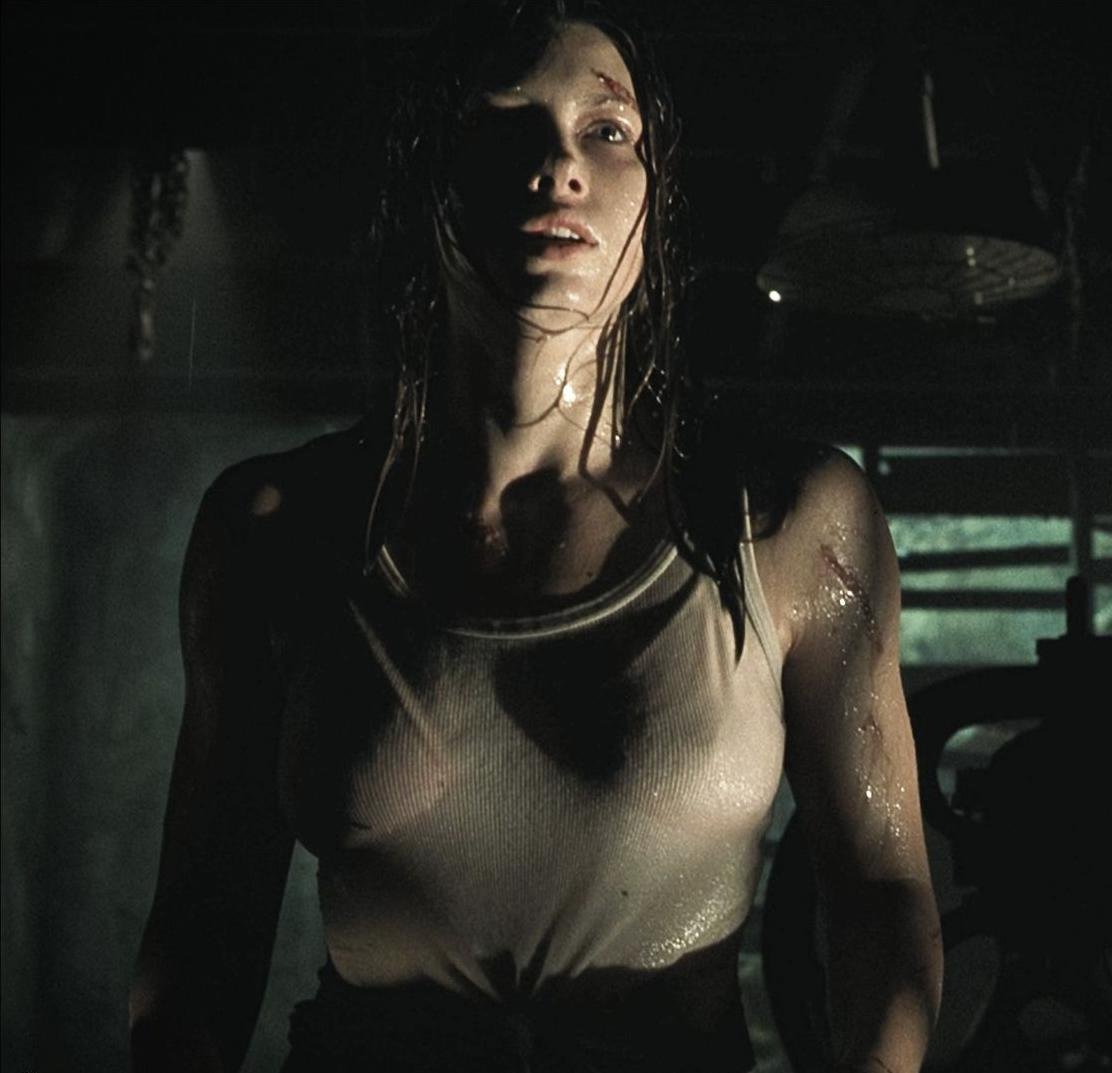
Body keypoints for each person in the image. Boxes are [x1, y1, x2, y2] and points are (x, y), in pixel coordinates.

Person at [127, 3, 942, 1071]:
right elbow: (205, 925)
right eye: (503, 123)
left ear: (654, 195)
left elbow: (881, 888)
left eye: (605, 130)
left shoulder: (788, 520)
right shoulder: (276, 529)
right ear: (430, 181)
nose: (558, 165)